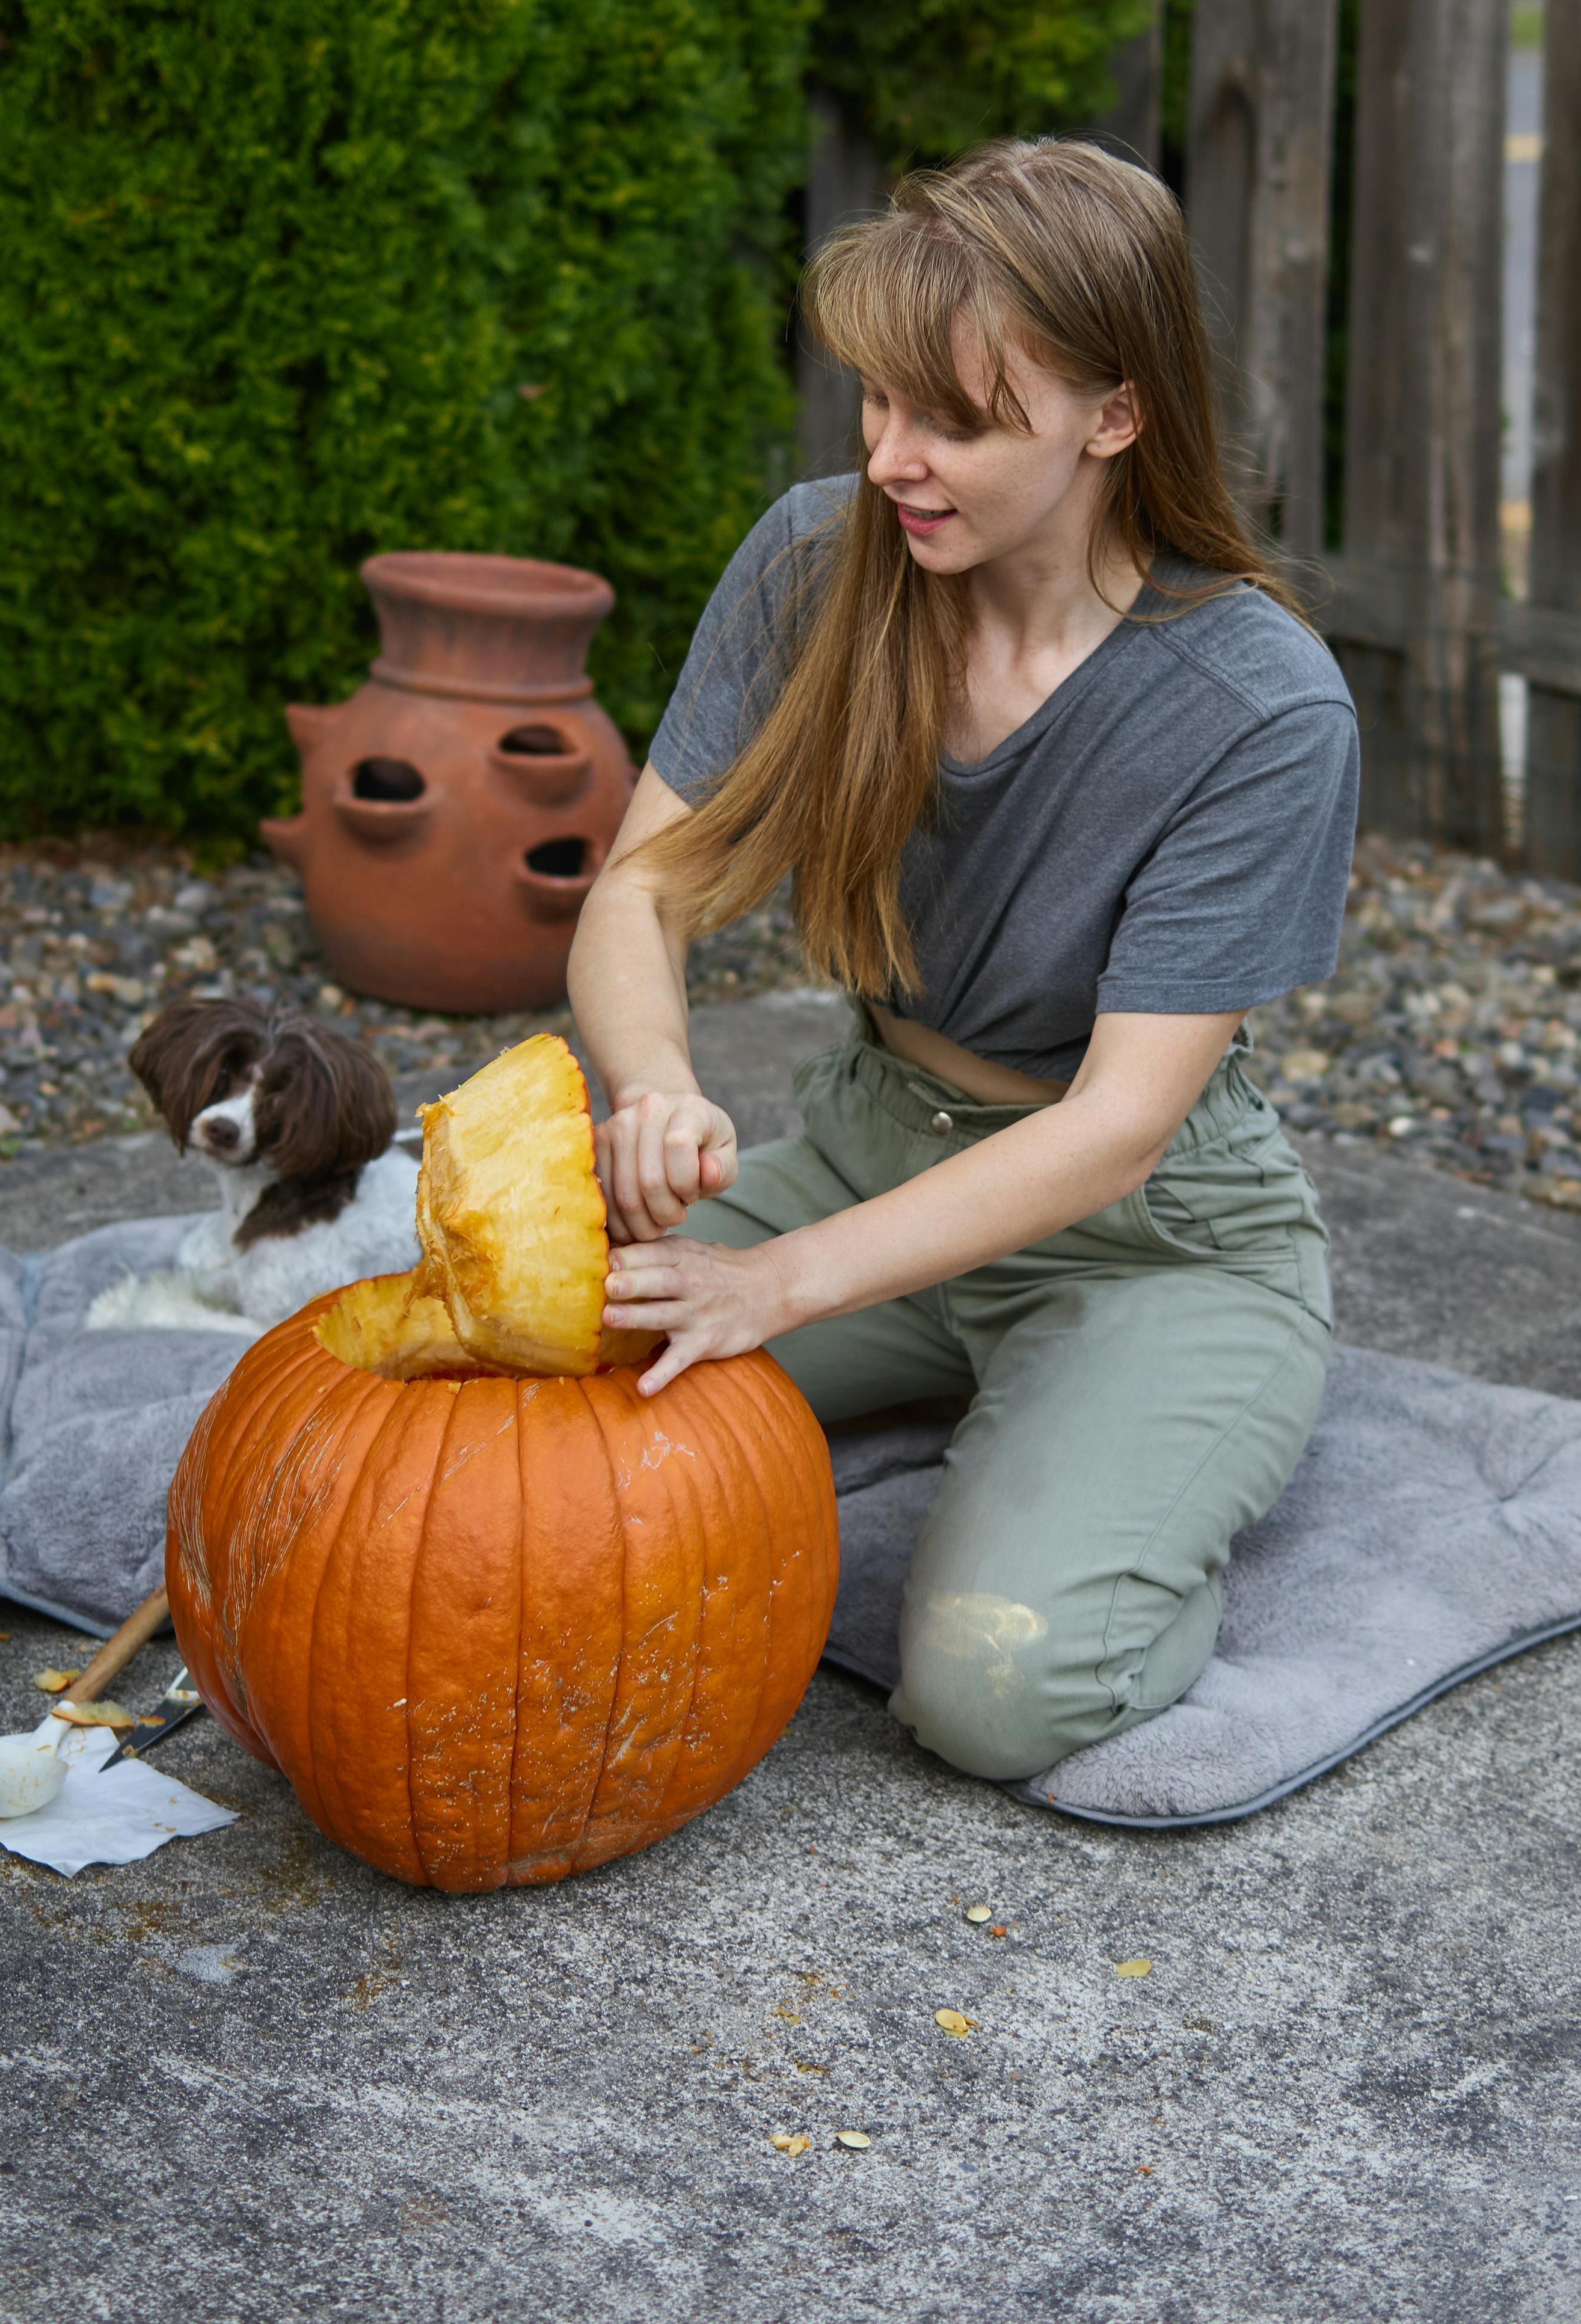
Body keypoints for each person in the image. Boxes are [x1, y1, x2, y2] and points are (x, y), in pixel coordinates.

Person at [567, 136, 1360, 1783]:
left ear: (1114, 415)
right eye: (874, 402)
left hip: (1149, 1243)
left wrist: (772, 1285)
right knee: (522, 1386)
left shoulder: (1261, 707)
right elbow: (637, 892)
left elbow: (1116, 1127)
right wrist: (650, 1089)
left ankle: (1118, 1447)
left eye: (957, 419)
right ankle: (969, 1404)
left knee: (998, 1687)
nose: (891, 460)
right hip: (870, 1154)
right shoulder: (817, 561)